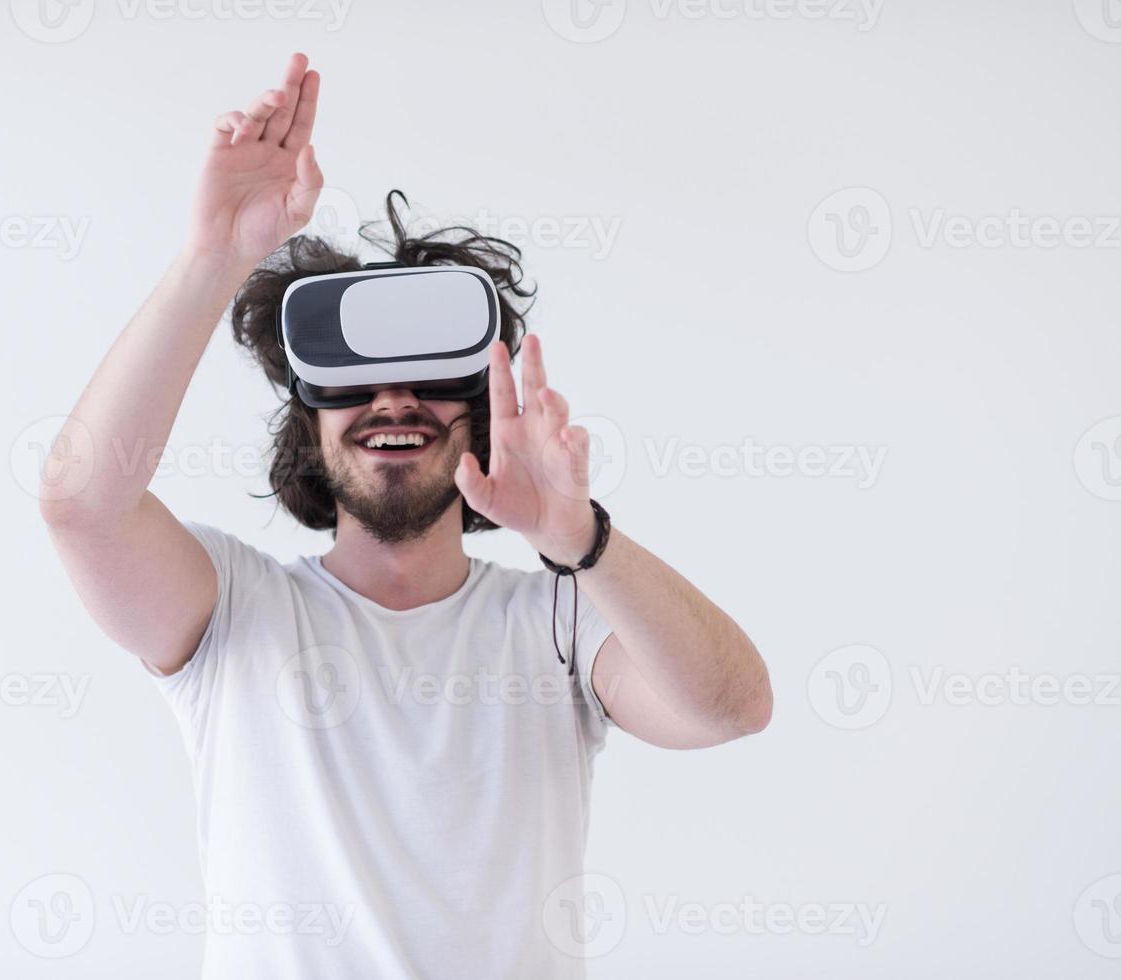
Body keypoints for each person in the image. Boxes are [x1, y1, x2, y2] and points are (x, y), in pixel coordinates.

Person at [40, 51, 773, 980]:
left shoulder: (558, 623)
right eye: (351, 382)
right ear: (309, 424)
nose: (394, 402)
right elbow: (80, 504)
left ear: (479, 411)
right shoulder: (231, 611)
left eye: (432, 377)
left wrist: (579, 540)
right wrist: (214, 258)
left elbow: (734, 707)